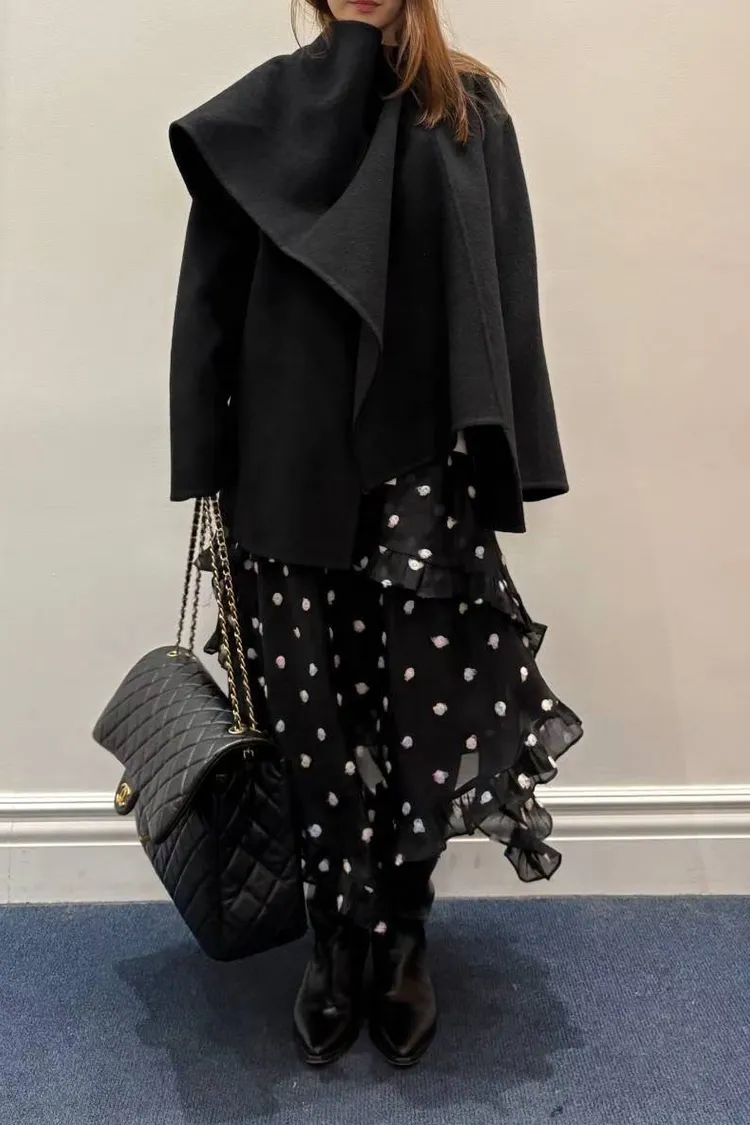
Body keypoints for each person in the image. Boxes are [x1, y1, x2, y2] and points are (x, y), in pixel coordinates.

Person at [167, 0, 583, 1069]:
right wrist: (203, 460)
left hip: (419, 463)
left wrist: (515, 450)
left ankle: (401, 928)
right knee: (309, 712)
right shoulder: (260, 114)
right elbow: (209, 294)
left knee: (419, 708)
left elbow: (508, 287)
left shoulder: (467, 112)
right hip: (285, 458)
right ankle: (333, 935)